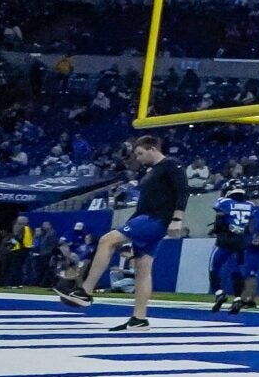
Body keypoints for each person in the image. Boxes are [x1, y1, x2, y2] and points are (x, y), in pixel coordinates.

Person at [55, 133, 182, 329]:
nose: (138, 158)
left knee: (107, 240)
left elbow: (182, 191)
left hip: (155, 219)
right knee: (143, 269)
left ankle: (86, 291)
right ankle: (139, 318)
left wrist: (177, 219)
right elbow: (145, 203)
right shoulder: (153, 170)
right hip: (147, 218)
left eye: (140, 153)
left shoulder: (171, 164)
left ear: (152, 149)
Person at [207, 186, 254, 313]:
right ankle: (237, 298)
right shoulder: (250, 205)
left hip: (225, 240)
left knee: (213, 267)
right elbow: (250, 226)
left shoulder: (224, 202)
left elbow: (219, 220)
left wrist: (216, 230)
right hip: (240, 241)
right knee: (237, 270)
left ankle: (219, 293)